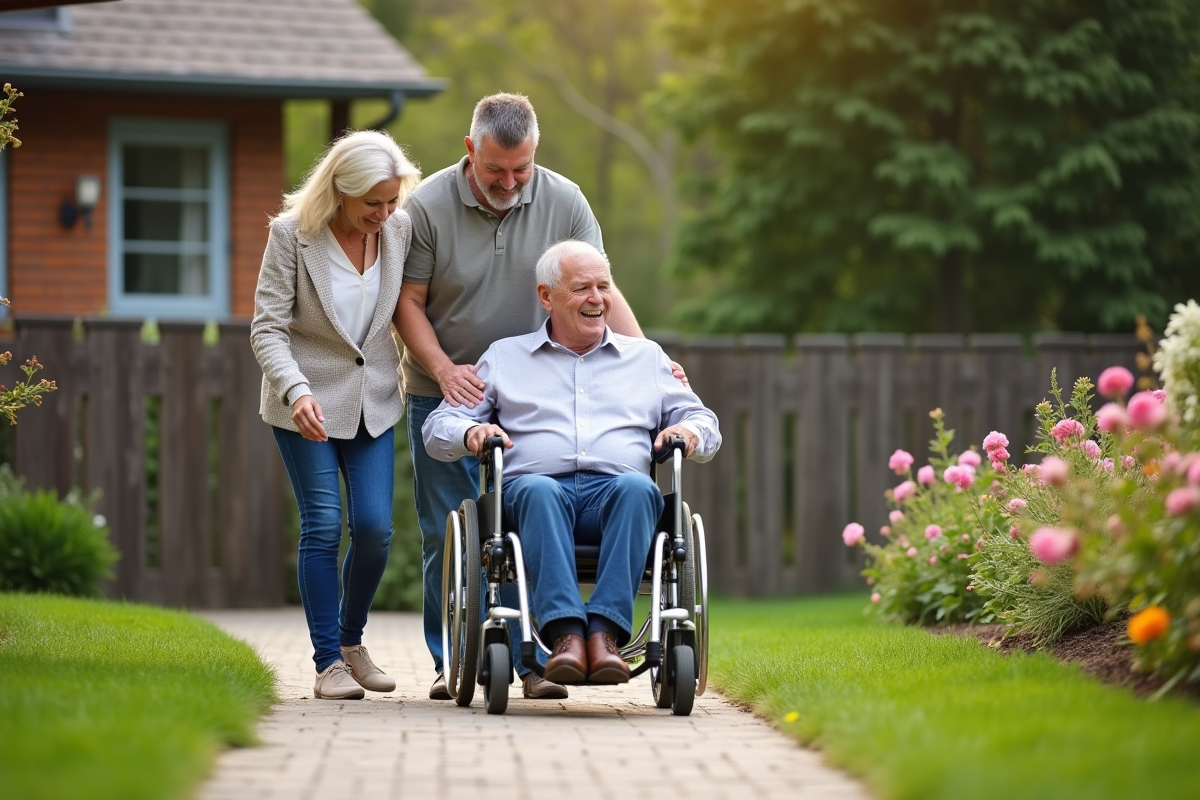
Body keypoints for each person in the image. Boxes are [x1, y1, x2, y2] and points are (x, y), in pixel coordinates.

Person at [397, 93, 690, 700]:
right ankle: (454, 657)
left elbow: (597, 285)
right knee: (451, 532)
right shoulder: (426, 207)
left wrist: (648, 362)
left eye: (521, 169)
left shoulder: (566, 200)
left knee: (553, 503)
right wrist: (445, 369)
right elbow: (409, 301)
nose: (509, 182)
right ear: (469, 149)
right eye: (496, 169)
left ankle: (541, 660)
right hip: (455, 385)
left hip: (550, 375)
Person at [422, 240, 720, 685]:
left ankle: (604, 635)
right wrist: (472, 432)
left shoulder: (647, 359)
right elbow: (438, 426)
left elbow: (702, 420)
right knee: (538, 488)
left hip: (618, 498)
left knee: (640, 488)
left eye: (604, 287)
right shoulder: (506, 357)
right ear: (547, 297)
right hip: (534, 498)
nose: (597, 299)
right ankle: (565, 636)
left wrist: (688, 432)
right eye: (582, 288)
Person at [251, 130, 420, 700]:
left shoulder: (398, 232)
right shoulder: (291, 237)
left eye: (392, 200)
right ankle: (328, 665)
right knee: (322, 526)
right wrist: (296, 391)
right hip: (307, 406)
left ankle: (352, 643)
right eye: (373, 202)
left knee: (374, 529)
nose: (386, 212)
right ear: (340, 192)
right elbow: (267, 327)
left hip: (374, 401)